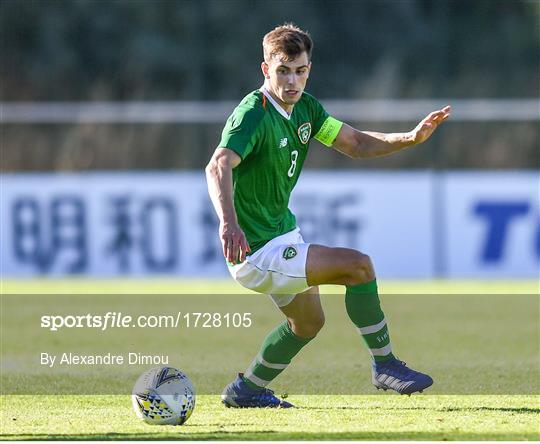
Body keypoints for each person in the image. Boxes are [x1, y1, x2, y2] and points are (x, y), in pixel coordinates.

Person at [205, 23, 451, 408]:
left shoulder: (306, 108)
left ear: (309, 69)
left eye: (299, 71)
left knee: (307, 324)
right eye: (283, 70)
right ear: (265, 69)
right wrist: (228, 222)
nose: (292, 80)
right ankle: (385, 365)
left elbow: (353, 142)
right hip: (256, 250)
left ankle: (247, 390)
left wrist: (408, 138)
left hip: (282, 235)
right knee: (359, 267)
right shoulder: (253, 113)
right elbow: (218, 164)